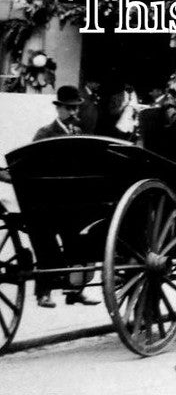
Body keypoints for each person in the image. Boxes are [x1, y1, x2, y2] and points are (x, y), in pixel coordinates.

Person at [31, 85, 99, 308]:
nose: (73, 113)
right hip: (49, 204)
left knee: (78, 245)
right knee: (46, 248)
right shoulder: (45, 134)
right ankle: (44, 293)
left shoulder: (78, 133)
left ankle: (74, 291)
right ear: (58, 108)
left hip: (73, 205)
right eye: (68, 108)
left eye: (75, 108)